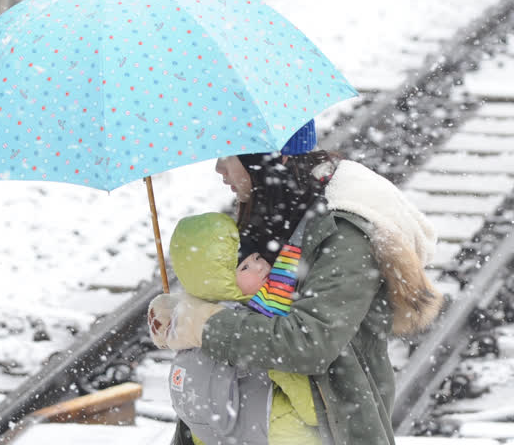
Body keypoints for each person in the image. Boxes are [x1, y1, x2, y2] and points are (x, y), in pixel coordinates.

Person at [148, 119, 444, 445]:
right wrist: (185, 308)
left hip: (321, 429)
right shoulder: (273, 210)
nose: (219, 168)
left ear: (271, 157)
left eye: (229, 154)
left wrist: (202, 326)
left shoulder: (343, 233)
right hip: (241, 421)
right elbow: (244, 303)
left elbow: (309, 343)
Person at [150, 211, 322, 445]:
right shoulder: (248, 322)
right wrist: (318, 406)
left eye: (258, 257)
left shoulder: (192, 323)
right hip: (269, 428)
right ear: (221, 280)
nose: (261, 267)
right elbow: (284, 369)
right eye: (245, 267)